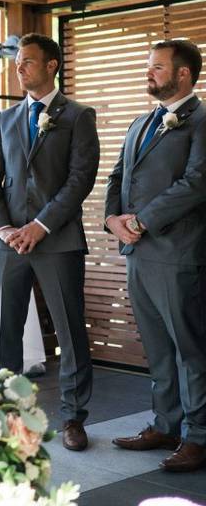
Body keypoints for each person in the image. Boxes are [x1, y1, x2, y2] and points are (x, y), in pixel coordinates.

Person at [0, 33, 98, 452]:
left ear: (52, 65)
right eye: (17, 61)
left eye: (28, 60)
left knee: (70, 331)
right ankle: (7, 416)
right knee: (6, 332)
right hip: (9, 244)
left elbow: (79, 180)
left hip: (58, 241)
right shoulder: (3, 120)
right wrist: (4, 229)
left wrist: (40, 226)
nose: (20, 67)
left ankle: (73, 418)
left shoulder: (79, 116)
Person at [105, 39, 206, 473]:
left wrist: (142, 220)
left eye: (157, 67)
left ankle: (199, 437)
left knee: (190, 349)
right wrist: (113, 219)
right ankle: (166, 424)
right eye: (149, 66)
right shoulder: (139, 122)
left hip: (179, 253)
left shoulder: (203, 122)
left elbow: (196, 182)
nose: (149, 73)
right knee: (158, 348)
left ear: (183, 74)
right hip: (138, 253)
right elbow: (115, 175)